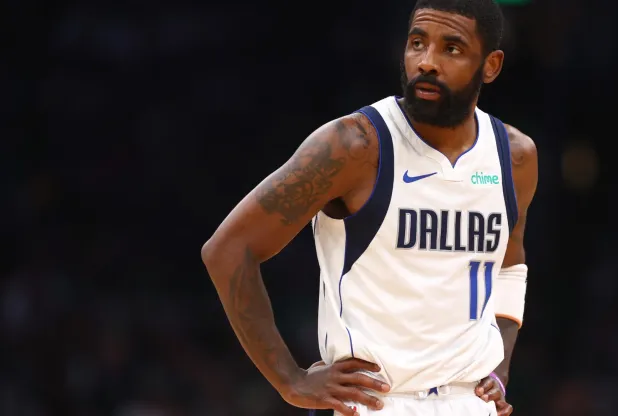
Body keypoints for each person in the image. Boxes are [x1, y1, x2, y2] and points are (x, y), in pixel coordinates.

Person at [200, 0, 538, 414]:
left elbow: (509, 266)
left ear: (491, 65)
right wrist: (290, 381)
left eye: (451, 48)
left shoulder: (515, 156)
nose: (427, 62)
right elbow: (228, 250)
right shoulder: (355, 146)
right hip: (373, 402)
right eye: (417, 43)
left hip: (468, 401)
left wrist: (499, 368)